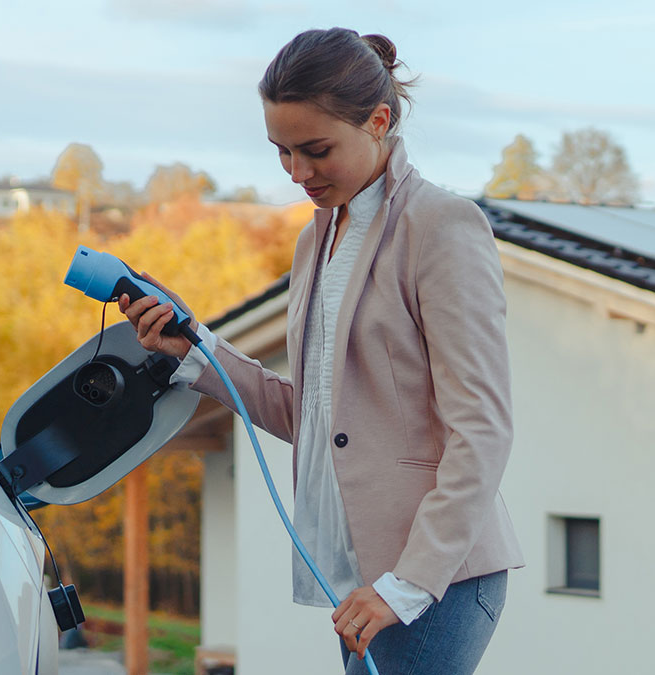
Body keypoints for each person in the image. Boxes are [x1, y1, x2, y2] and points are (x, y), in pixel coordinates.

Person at [119, 27, 523, 675]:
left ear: (379, 120)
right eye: (282, 153)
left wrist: (410, 580)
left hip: (434, 579)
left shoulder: (442, 226)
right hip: (358, 573)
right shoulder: (315, 243)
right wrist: (196, 351)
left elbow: (483, 427)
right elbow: (312, 415)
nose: (298, 173)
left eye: (316, 150)